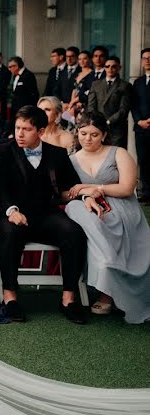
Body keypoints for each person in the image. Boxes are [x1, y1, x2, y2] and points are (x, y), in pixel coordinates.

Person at [0, 105, 88, 324]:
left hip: (47, 215)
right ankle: (10, 298)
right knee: (8, 233)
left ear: (41, 131)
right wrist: (12, 210)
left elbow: (70, 187)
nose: (19, 133)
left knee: (73, 233)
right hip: (14, 215)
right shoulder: (3, 152)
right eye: (17, 128)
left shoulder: (57, 154)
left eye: (26, 129)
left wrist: (85, 195)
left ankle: (68, 299)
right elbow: (0, 189)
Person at [63, 113, 150, 324]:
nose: (88, 139)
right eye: (83, 133)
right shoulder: (71, 160)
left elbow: (127, 187)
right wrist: (85, 195)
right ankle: (106, 271)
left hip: (120, 208)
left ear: (104, 135)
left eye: (94, 134)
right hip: (89, 210)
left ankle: (109, 291)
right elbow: (66, 193)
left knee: (100, 223)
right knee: (78, 211)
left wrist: (93, 188)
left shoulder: (118, 153)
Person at [87, 56, 131, 148]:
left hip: (116, 128)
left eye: (113, 66)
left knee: (115, 156)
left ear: (119, 68)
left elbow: (124, 109)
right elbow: (91, 106)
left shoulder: (125, 85)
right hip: (98, 127)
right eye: (107, 66)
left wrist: (108, 121)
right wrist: (97, 121)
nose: (110, 69)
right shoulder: (96, 84)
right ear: (104, 68)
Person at [131, 48, 150, 202]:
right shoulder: (138, 82)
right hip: (141, 128)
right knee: (143, 160)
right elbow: (134, 105)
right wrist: (139, 121)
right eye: (145, 58)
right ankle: (146, 192)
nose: (147, 61)